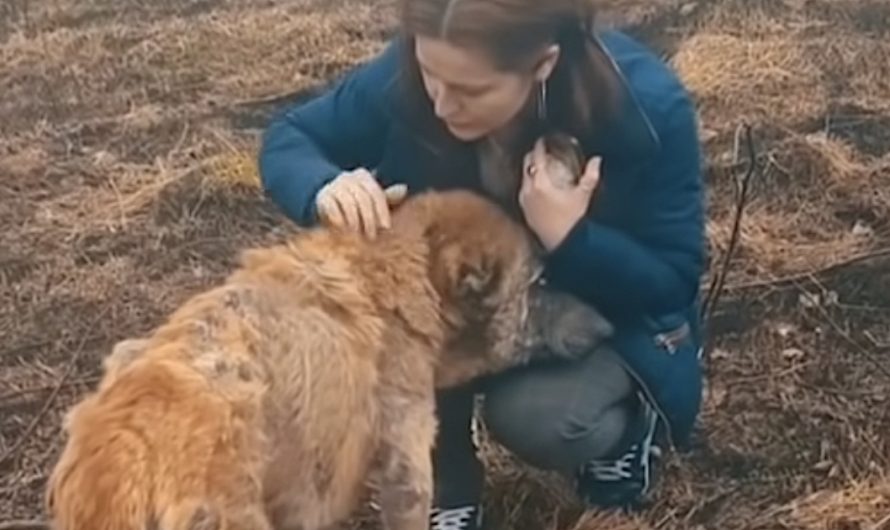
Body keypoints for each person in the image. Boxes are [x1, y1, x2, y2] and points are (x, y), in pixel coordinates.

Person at [258, 0, 706, 528]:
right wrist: (324, 186)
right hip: (466, 305)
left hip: (586, 313)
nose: (442, 104)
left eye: (470, 91)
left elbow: (671, 283)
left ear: (543, 65)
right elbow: (291, 138)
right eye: (430, 76)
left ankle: (629, 432)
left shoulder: (644, 108)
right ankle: (446, 481)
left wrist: (571, 239)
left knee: (538, 418)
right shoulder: (418, 71)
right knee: (369, 322)